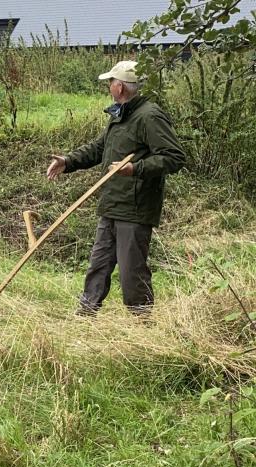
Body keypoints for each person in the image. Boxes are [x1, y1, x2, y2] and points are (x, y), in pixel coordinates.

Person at [46, 61, 185, 315]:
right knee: (98, 264)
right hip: (111, 203)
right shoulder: (120, 114)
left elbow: (174, 157)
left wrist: (136, 169)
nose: (109, 86)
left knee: (132, 270)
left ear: (119, 86)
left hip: (135, 206)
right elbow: (100, 148)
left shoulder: (149, 116)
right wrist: (68, 161)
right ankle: (86, 315)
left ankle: (141, 322)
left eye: (111, 82)